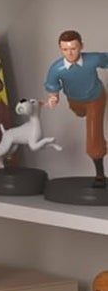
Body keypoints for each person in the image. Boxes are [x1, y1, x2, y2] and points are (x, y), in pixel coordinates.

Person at [45, 30, 108, 187]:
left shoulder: (92, 59)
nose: (70, 53)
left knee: (94, 134)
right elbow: (53, 87)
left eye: (73, 48)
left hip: (95, 98)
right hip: (75, 101)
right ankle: (99, 141)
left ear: (81, 47)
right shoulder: (56, 68)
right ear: (60, 49)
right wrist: (53, 98)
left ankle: (100, 174)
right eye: (65, 49)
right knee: (79, 113)